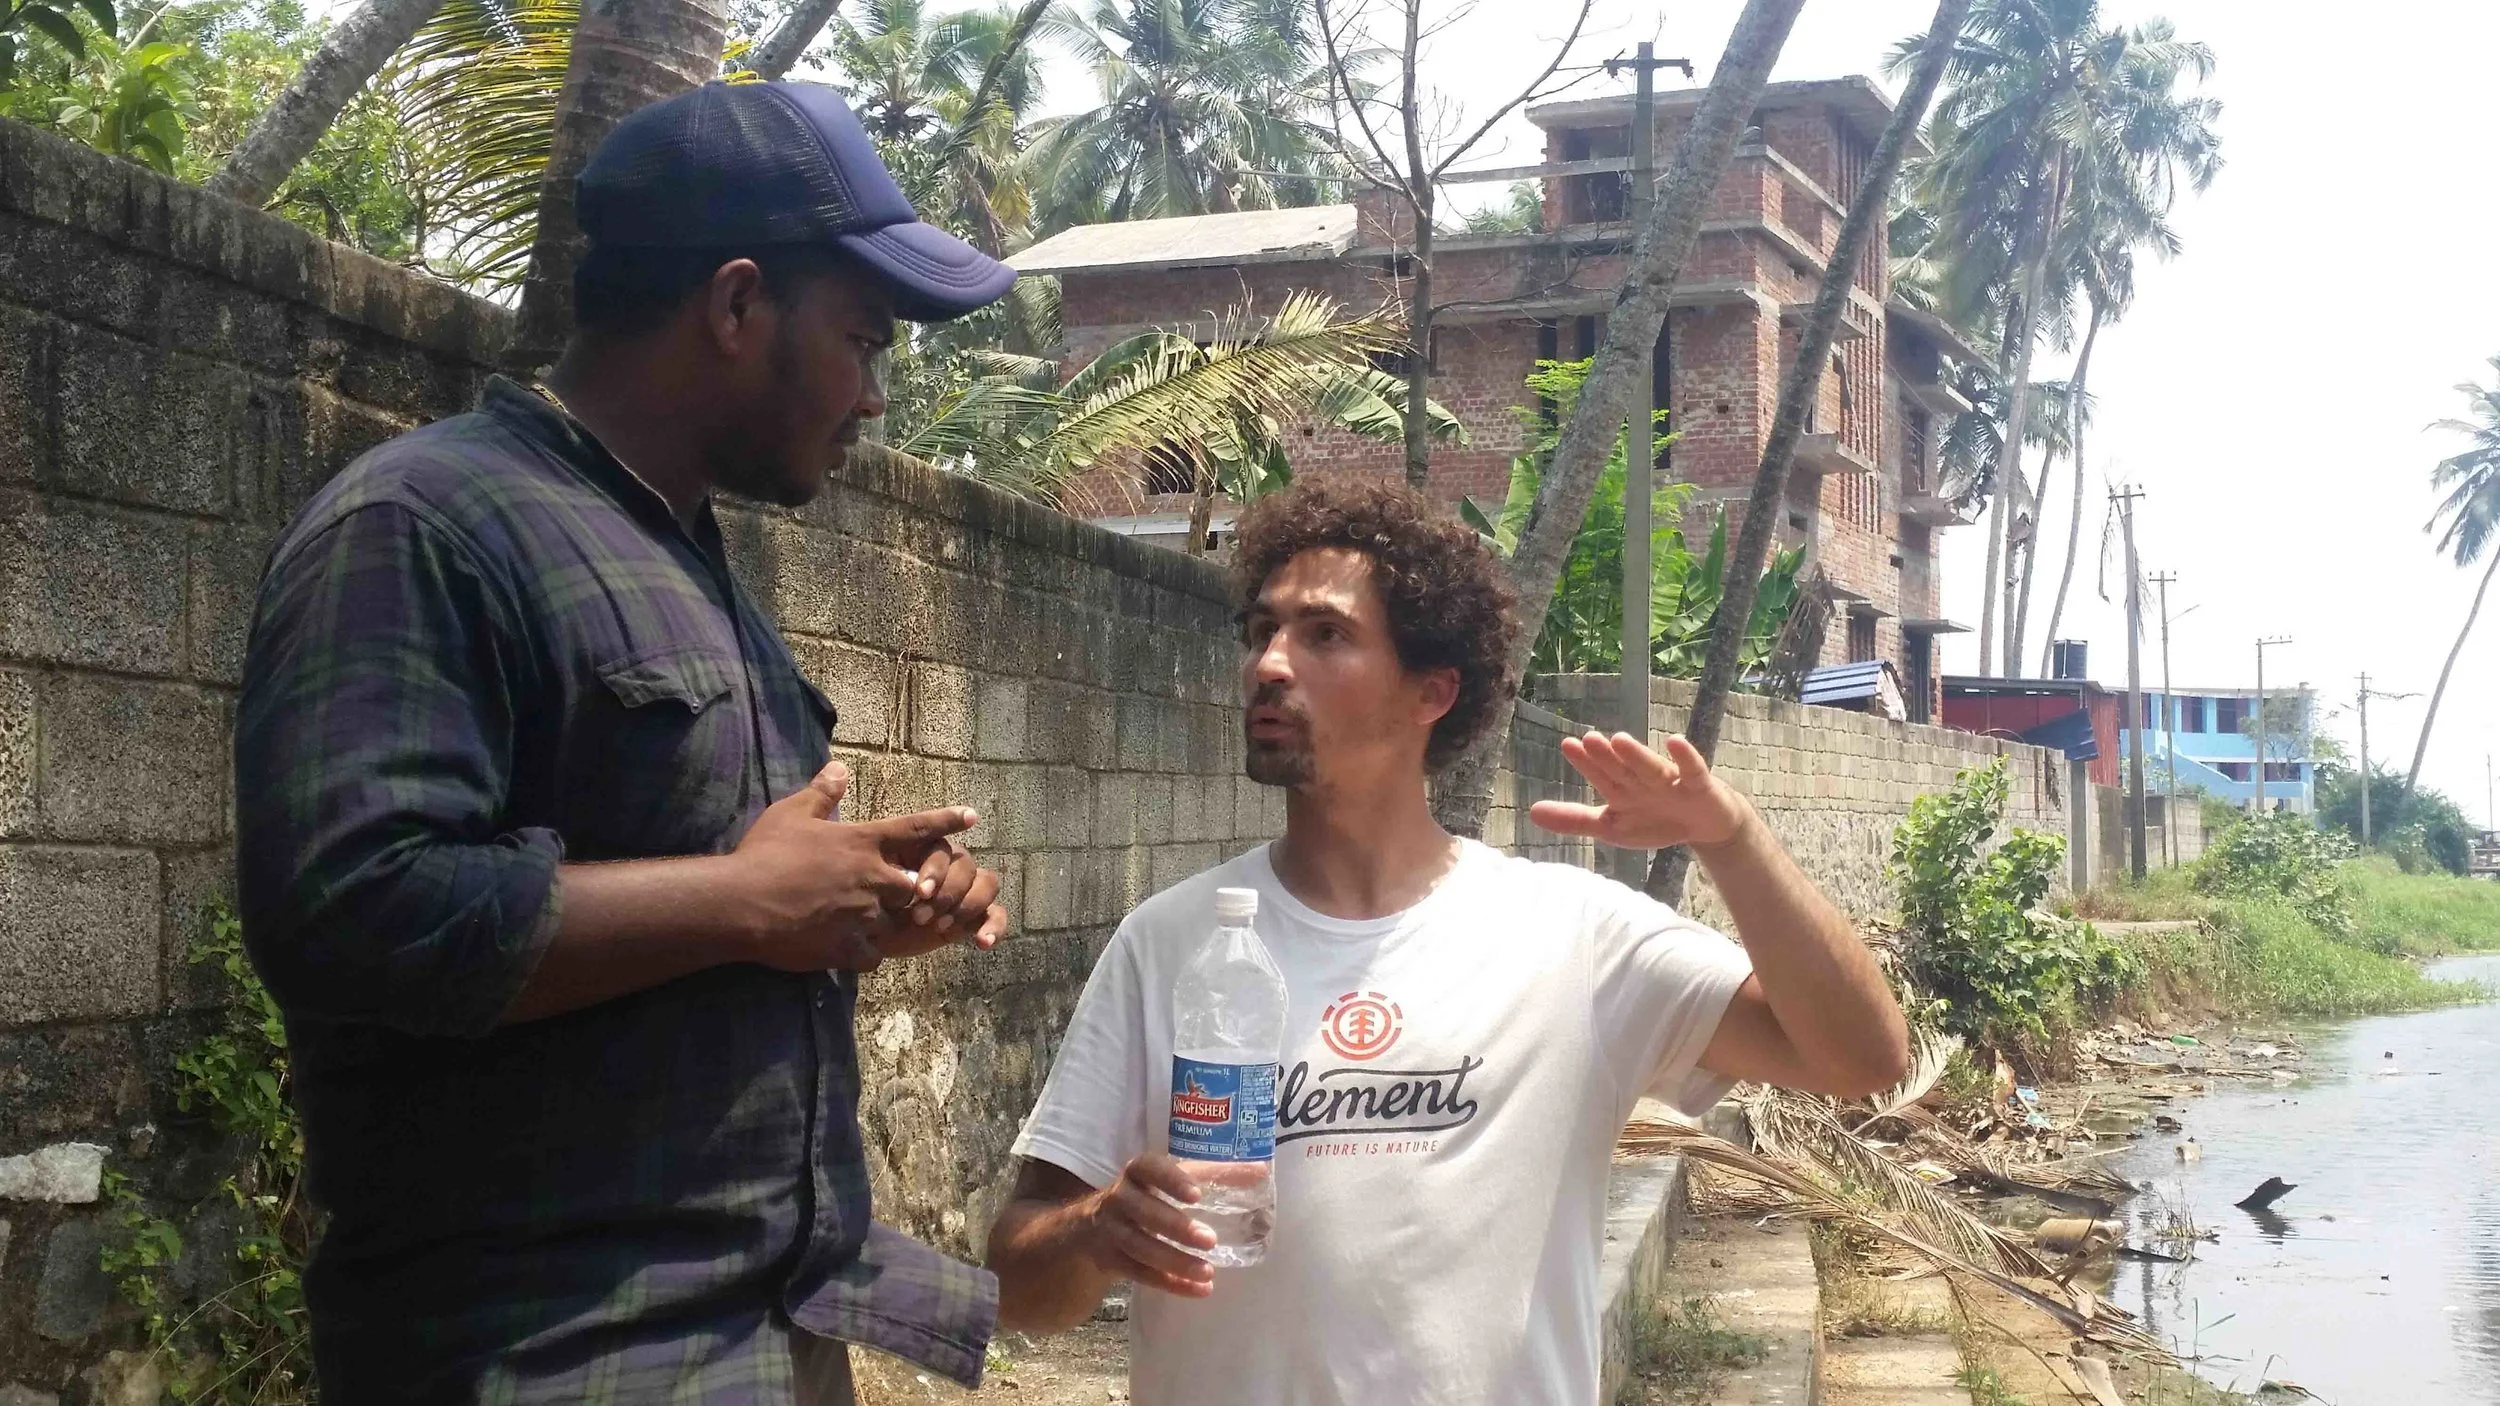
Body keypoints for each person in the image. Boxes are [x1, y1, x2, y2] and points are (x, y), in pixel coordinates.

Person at [234, 81, 1019, 1402]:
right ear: (733, 305)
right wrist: (741, 898)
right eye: (864, 340)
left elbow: (698, 903)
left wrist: (849, 898)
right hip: (555, 1354)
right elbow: (343, 909)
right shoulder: (428, 523)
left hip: (764, 1329)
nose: (874, 396)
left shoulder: (683, 553)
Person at [985, 479, 1912, 1404]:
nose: (1269, 663)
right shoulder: (1172, 942)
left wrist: (1733, 841)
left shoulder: (1571, 935)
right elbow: (1017, 1284)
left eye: (1325, 635)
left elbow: (1862, 1058)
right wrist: (1099, 1229)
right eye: (1260, 631)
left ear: (1433, 689)